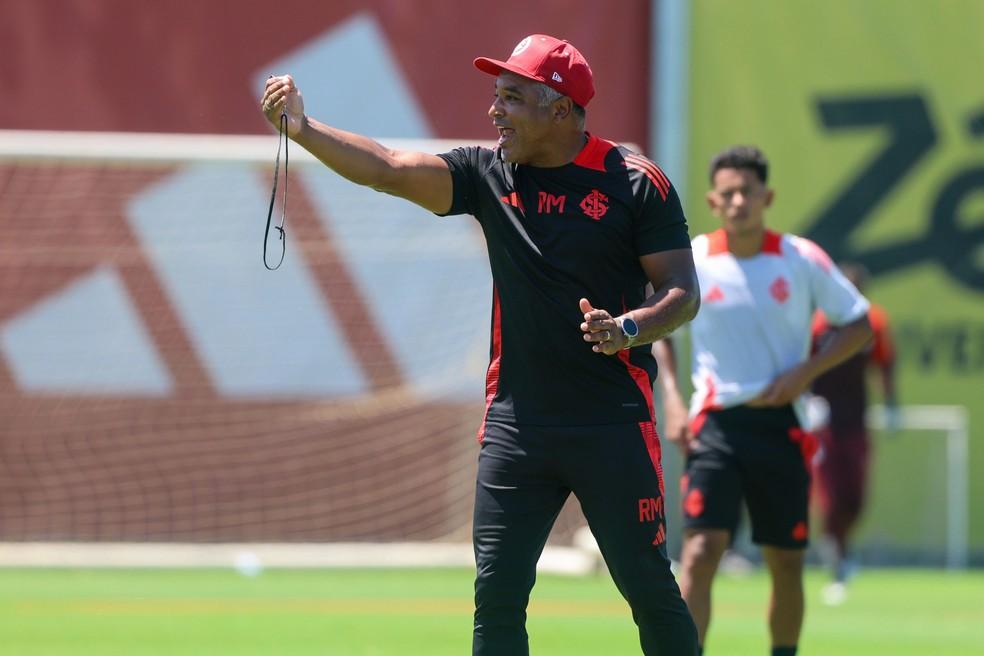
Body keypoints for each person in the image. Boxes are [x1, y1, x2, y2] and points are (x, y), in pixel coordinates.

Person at [260, 34, 700, 655]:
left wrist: (629, 327)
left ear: (561, 109)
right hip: (517, 429)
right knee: (496, 602)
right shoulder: (487, 173)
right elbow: (388, 168)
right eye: (496, 96)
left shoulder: (635, 182)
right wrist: (302, 128)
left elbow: (682, 290)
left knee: (651, 594)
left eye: (513, 98)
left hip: (613, 425)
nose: (495, 111)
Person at [653, 145, 873, 656]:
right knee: (701, 551)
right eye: (726, 194)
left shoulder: (800, 258)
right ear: (712, 200)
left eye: (746, 192)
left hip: (782, 427)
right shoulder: (696, 259)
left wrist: (807, 371)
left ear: (766, 196)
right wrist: (674, 400)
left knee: (785, 559)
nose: (737, 203)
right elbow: (659, 325)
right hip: (716, 427)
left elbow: (858, 322)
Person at [810, 262, 897, 605]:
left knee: (855, 497)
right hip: (824, 422)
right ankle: (837, 558)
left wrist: (891, 404)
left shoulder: (872, 322)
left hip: (856, 421)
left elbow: (885, 363)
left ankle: (841, 544)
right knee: (830, 496)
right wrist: (807, 399)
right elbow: (800, 360)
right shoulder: (818, 324)